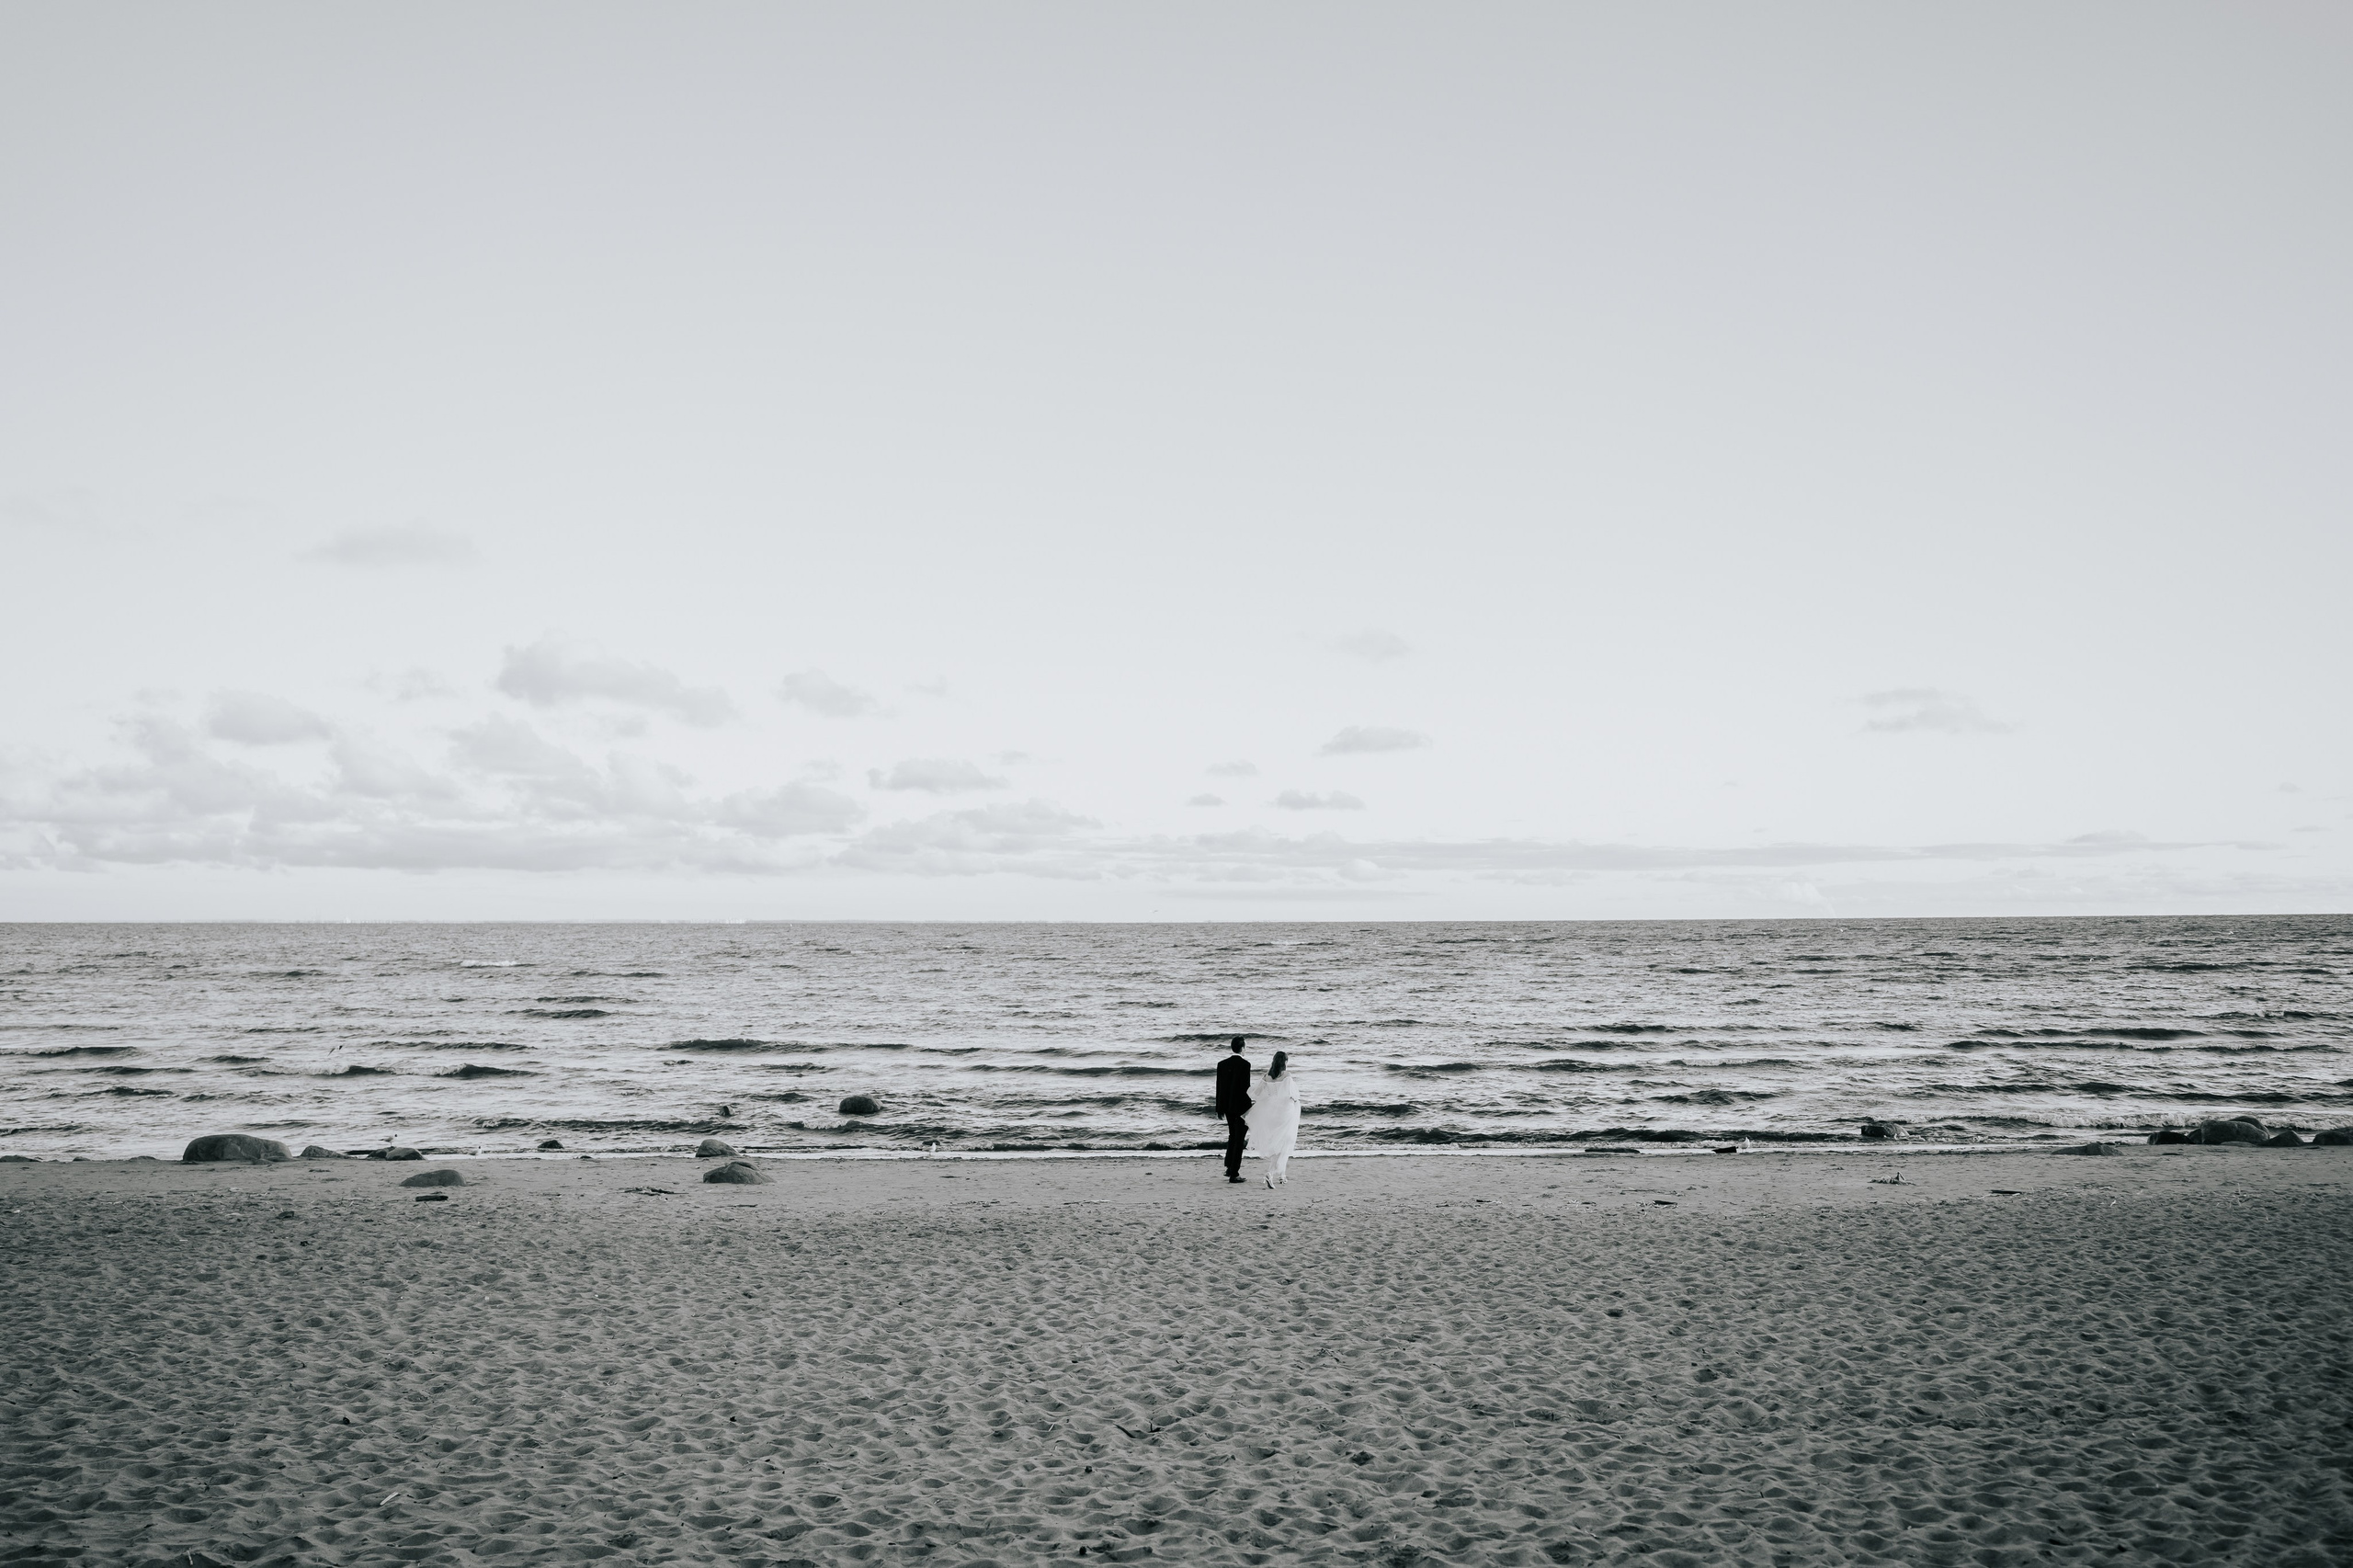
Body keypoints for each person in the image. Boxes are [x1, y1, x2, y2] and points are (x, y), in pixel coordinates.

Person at [1245, 1049, 1302, 1187]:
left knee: (1279, 1142)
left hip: (1271, 1113)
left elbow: (1255, 1093)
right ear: (1285, 1062)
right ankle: (1270, 1173)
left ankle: (1282, 1175)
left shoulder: (1267, 1076)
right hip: (1285, 1112)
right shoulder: (1287, 1075)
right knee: (1285, 1143)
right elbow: (1294, 1095)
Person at [1214, 1036, 1252, 1183]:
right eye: (1245, 1047)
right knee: (1239, 1139)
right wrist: (1249, 1109)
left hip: (1228, 1107)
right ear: (1242, 1048)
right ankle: (1234, 1173)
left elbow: (1220, 1088)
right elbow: (1245, 1089)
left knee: (1232, 1136)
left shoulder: (1222, 1064)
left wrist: (1219, 1108)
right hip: (1241, 1108)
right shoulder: (1245, 1065)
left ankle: (1229, 1167)